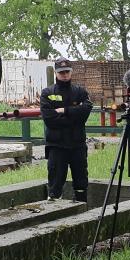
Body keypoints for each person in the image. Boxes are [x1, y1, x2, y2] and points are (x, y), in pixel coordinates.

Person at [40, 57, 92, 202]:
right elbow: (50, 120)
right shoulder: (47, 93)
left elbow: (85, 112)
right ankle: (53, 215)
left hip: (77, 146)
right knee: (55, 187)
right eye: (61, 72)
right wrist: (74, 116)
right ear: (56, 73)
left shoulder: (80, 92)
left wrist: (65, 110)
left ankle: (83, 212)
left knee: (81, 183)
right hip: (57, 147)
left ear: (71, 72)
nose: (64, 74)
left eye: (67, 71)